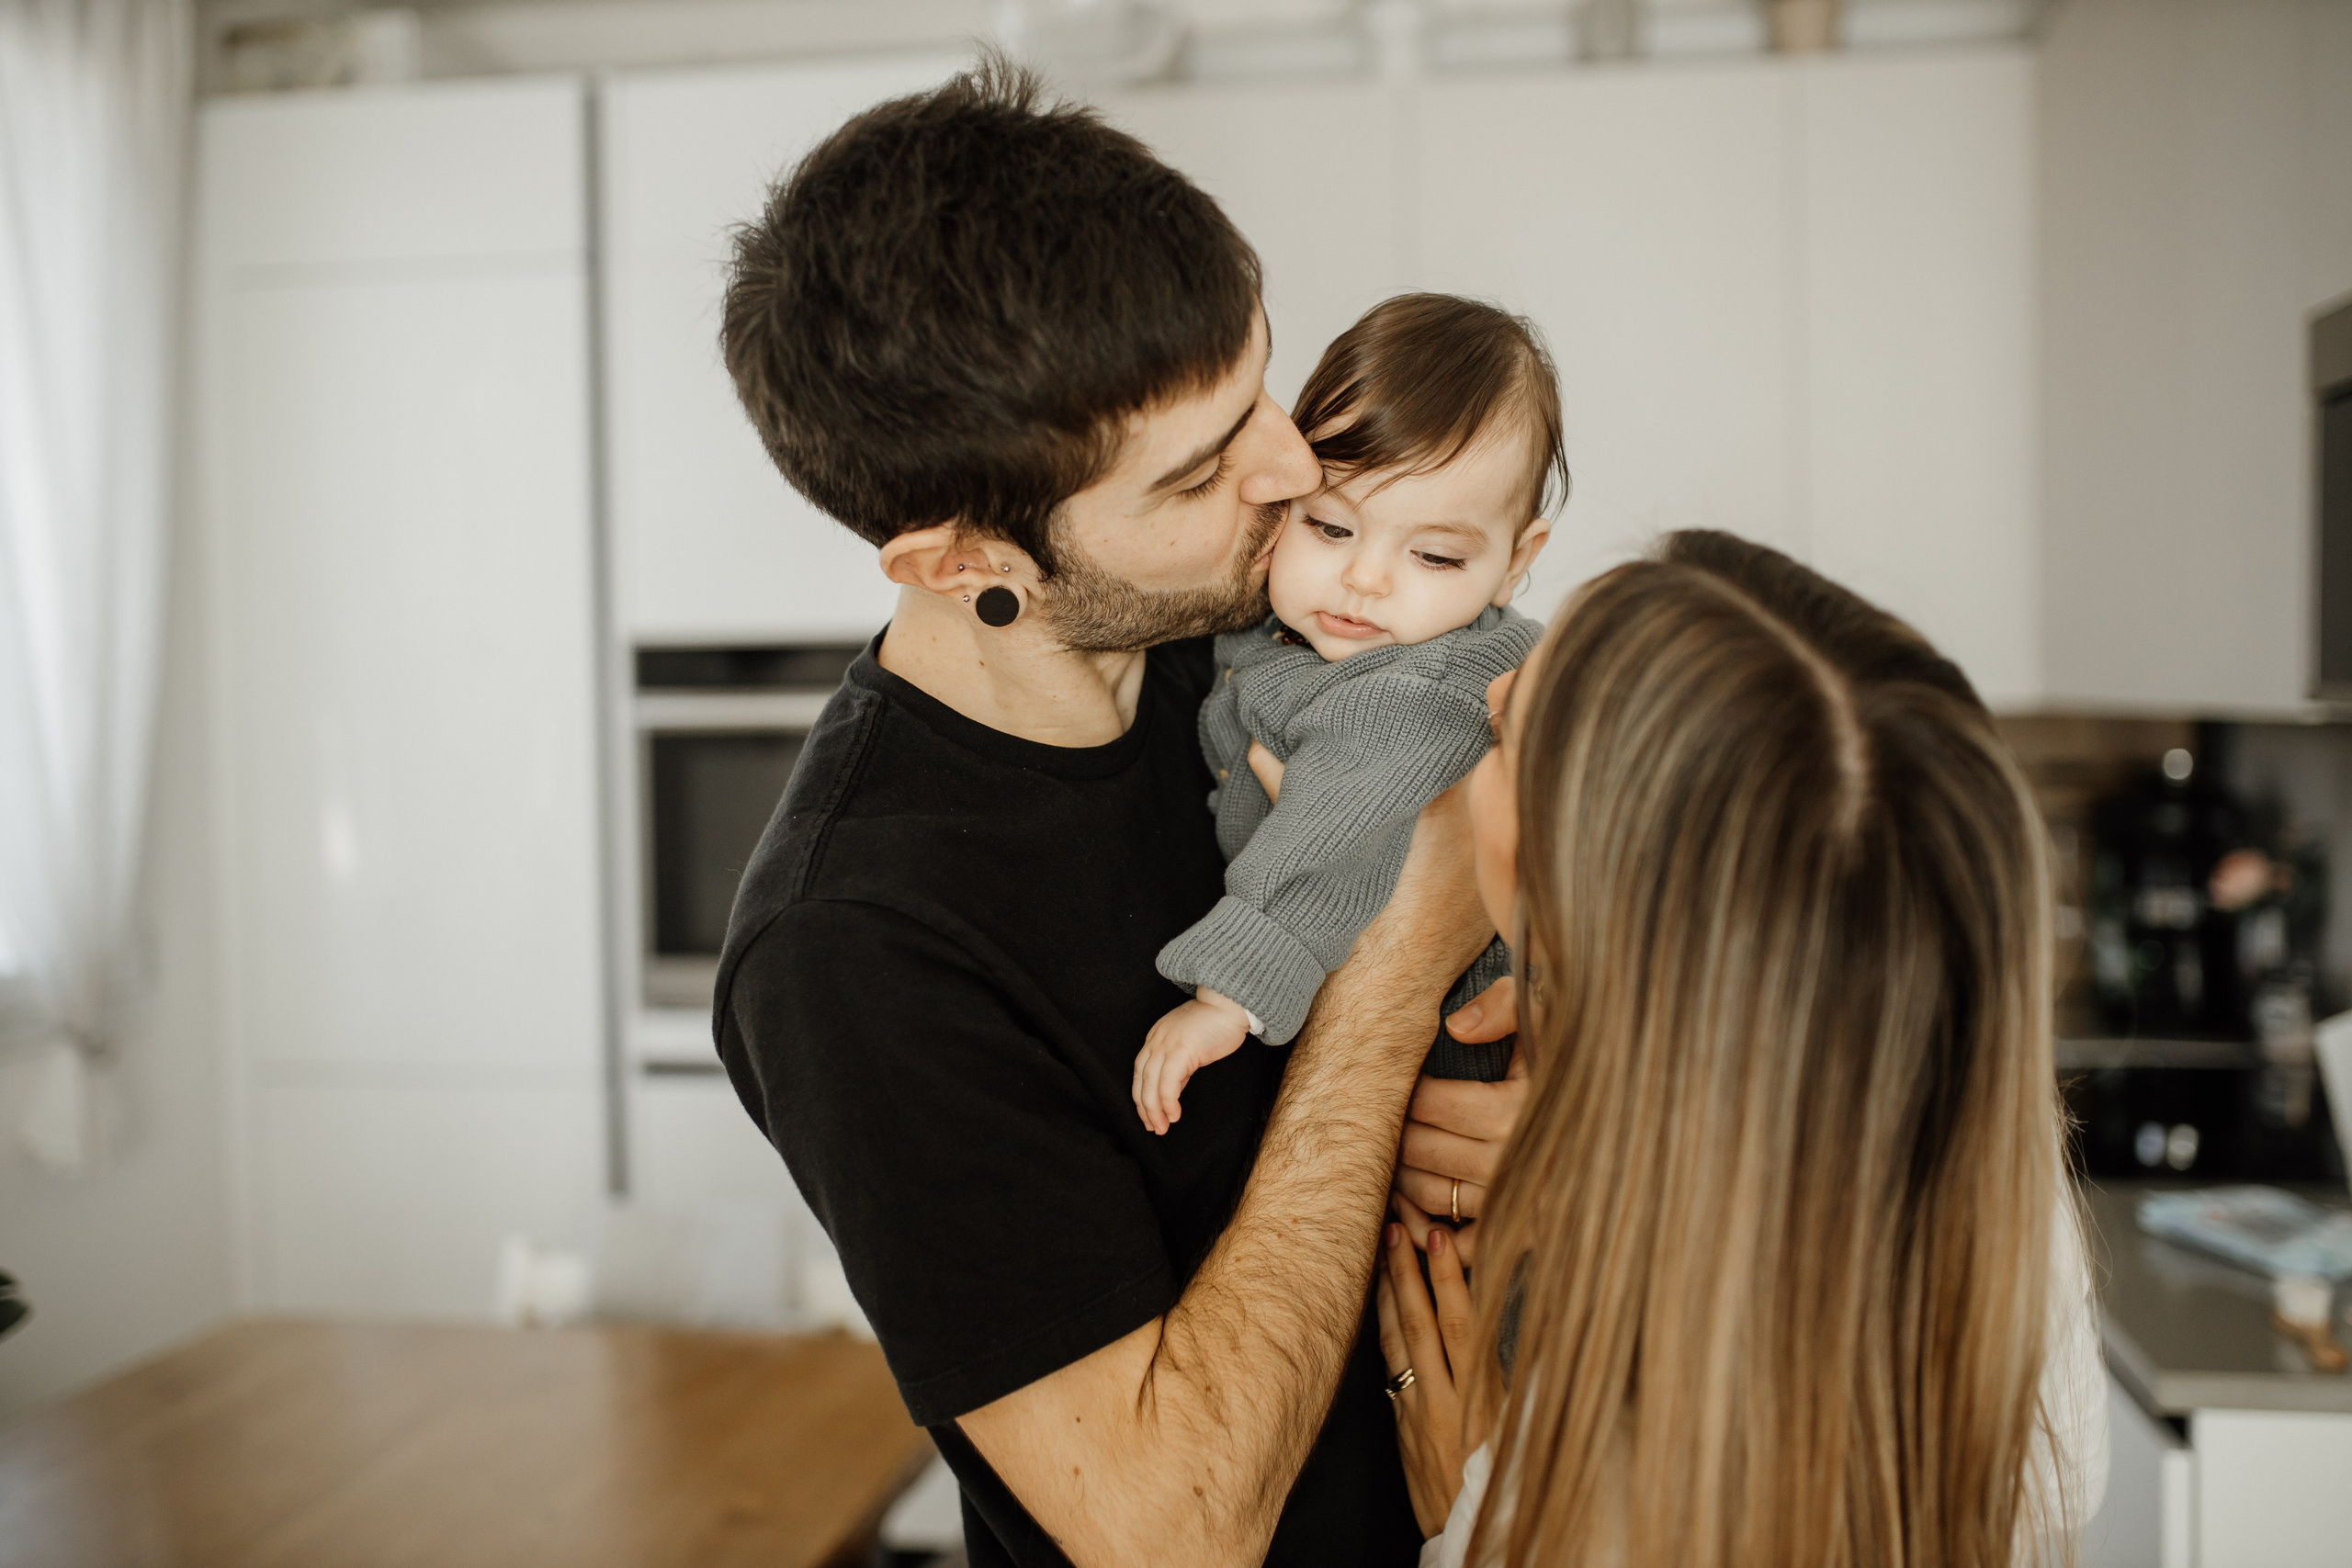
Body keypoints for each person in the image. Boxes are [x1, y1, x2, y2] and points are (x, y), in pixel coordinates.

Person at [713, 59, 1523, 1568]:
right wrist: (1388, 980)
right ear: (963, 562)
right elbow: (1171, 1534)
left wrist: (1565, 1128)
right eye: (1204, 469)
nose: (1294, 468)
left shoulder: (1276, 636)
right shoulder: (854, 948)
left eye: (1259, 382)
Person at [1374, 531, 2109, 1567]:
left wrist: (1476, 1507)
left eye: (1512, 741)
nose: (1483, 702)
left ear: (1581, 889)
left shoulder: (1569, 1495)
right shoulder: (1995, 1166)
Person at [1136, 294, 1563, 1134]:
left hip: (1447, 1064)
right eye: (1330, 526)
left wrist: (1228, 995)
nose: (1366, 577)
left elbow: (1330, 840)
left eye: (1435, 554)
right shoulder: (1281, 630)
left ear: (1516, 563)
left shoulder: (1424, 692)